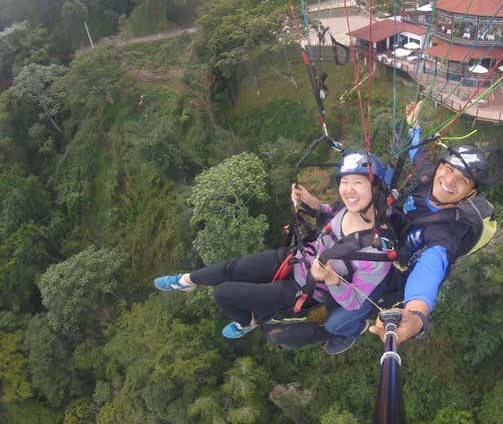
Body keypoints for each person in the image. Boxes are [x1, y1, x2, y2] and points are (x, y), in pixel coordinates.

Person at [153, 152, 393, 355]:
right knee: (233, 268)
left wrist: (331, 279)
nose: (348, 190)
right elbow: (330, 215)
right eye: (344, 182)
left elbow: (355, 302)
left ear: (376, 189)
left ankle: (247, 322)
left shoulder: (377, 252)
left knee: (223, 293)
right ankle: (186, 281)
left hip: (302, 290)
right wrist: (312, 203)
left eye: (358, 183)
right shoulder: (346, 209)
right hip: (296, 258)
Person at [368, 101, 503, 344]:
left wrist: (416, 316)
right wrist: (414, 127)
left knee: (345, 316)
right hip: (387, 231)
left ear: (470, 195)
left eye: (462, 180)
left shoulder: (446, 234)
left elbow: (431, 268)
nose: (449, 181)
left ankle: (344, 330)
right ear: (440, 166)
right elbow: (417, 153)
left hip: (393, 271)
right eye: (448, 169)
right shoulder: (429, 175)